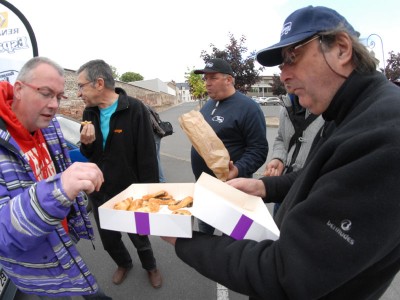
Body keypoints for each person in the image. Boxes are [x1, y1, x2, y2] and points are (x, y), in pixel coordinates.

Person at [162, 6, 400, 299]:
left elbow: (286, 274)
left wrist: (180, 239)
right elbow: (318, 175)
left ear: (341, 49)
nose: (283, 75)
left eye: (292, 57)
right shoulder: (345, 112)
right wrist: (264, 186)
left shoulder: (386, 133)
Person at [0, 57, 111, 299]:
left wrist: (85, 155)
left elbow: (61, 165)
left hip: (62, 236)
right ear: (18, 89)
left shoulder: (48, 126)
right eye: (46, 93)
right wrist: (59, 189)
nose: (54, 105)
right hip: (36, 262)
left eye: (59, 97)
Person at [78, 59, 162, 289]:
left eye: (81, 86)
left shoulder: (133, 108)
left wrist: (150, 195)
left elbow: (147, 154)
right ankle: (124, 263)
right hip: (99, 190)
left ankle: (151, 266)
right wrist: (86, 144)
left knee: (139, 236)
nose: (78, 93)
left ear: (99, 83)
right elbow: (90, 152)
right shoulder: (89, 111)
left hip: (129, 190)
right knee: (109, 238)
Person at [191, 58, 268, 235]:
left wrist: (238, 169)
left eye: (212, 78)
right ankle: (208, 263)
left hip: (234, 189)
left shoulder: (249, 108)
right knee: (205, 234)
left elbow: (259, 150)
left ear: (229, 79)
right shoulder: (208, 105)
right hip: (205, 186)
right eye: (205, 79)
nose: (207, 83)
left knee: (234, 237)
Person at [264, 93, 324, 216]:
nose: (284, 77)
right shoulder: (287, 105)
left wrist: (262, 186)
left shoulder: (331, 109)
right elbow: (281, 138)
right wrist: (278, 158)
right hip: (284, 191)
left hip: (311, 194)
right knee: (276, 232)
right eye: (282, 72)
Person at [145, 104, 167, 183]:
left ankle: (161, 179)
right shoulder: (147, 105)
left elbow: (152, 122)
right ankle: (160, 177)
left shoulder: (142, 107)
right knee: (157, 157)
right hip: (158, 134)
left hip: (154, 135)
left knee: (155, 158)